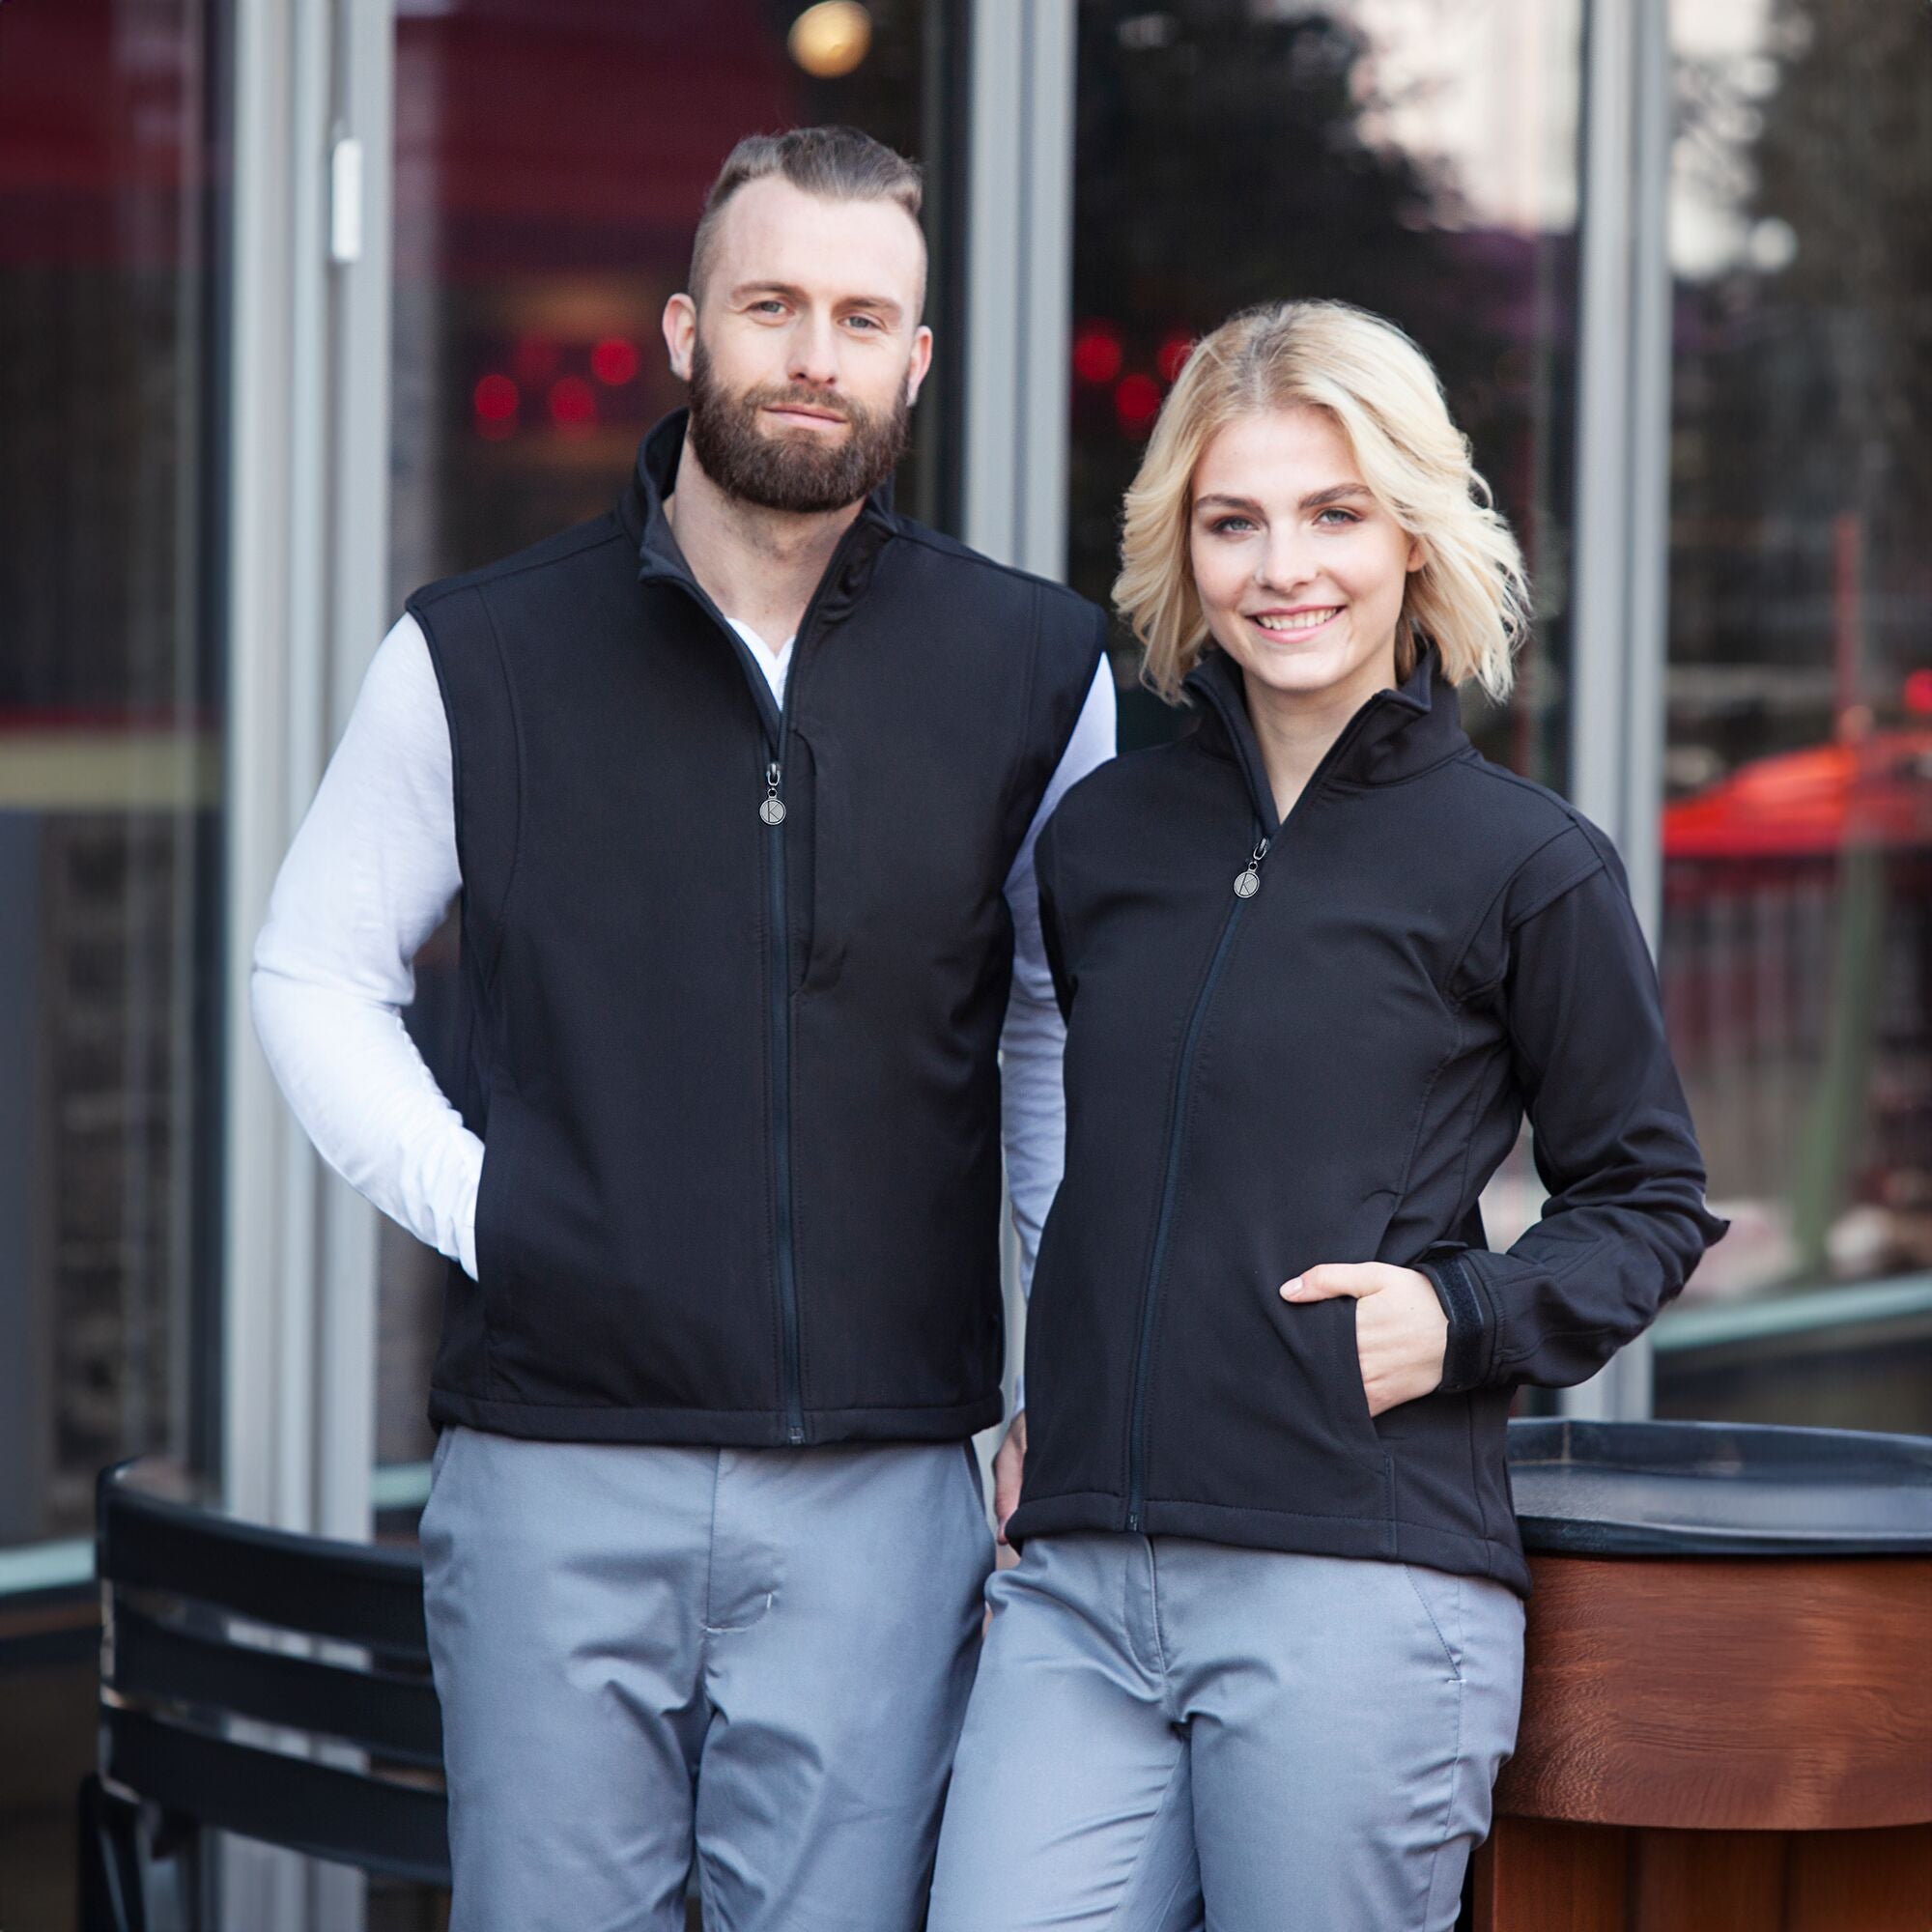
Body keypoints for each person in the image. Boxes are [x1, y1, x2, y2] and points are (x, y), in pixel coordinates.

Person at [251, 126, 1114, 1932]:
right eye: (771, 303)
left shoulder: (1038, 670)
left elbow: (1052, 1033)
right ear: (684, 329)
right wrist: (493, 1212)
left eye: (861, 318)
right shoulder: (481, 654)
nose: (814, 353)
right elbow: (313, 973)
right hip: (556, 1475)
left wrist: (1063, 1369)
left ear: (916, 361)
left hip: (886, 1487)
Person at [928, 299, 1726, 1932]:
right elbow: (1119, 1164)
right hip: (1078, 1585)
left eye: (1335, 513)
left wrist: (1462, 1314)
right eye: (1236, 521)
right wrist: (1048, 1405)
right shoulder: (1101, 842)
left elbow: (1648, 1200)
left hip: (1358, 1585)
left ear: (1413, 534)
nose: (1285, 567)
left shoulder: (1526, 863)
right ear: (1185, 548)